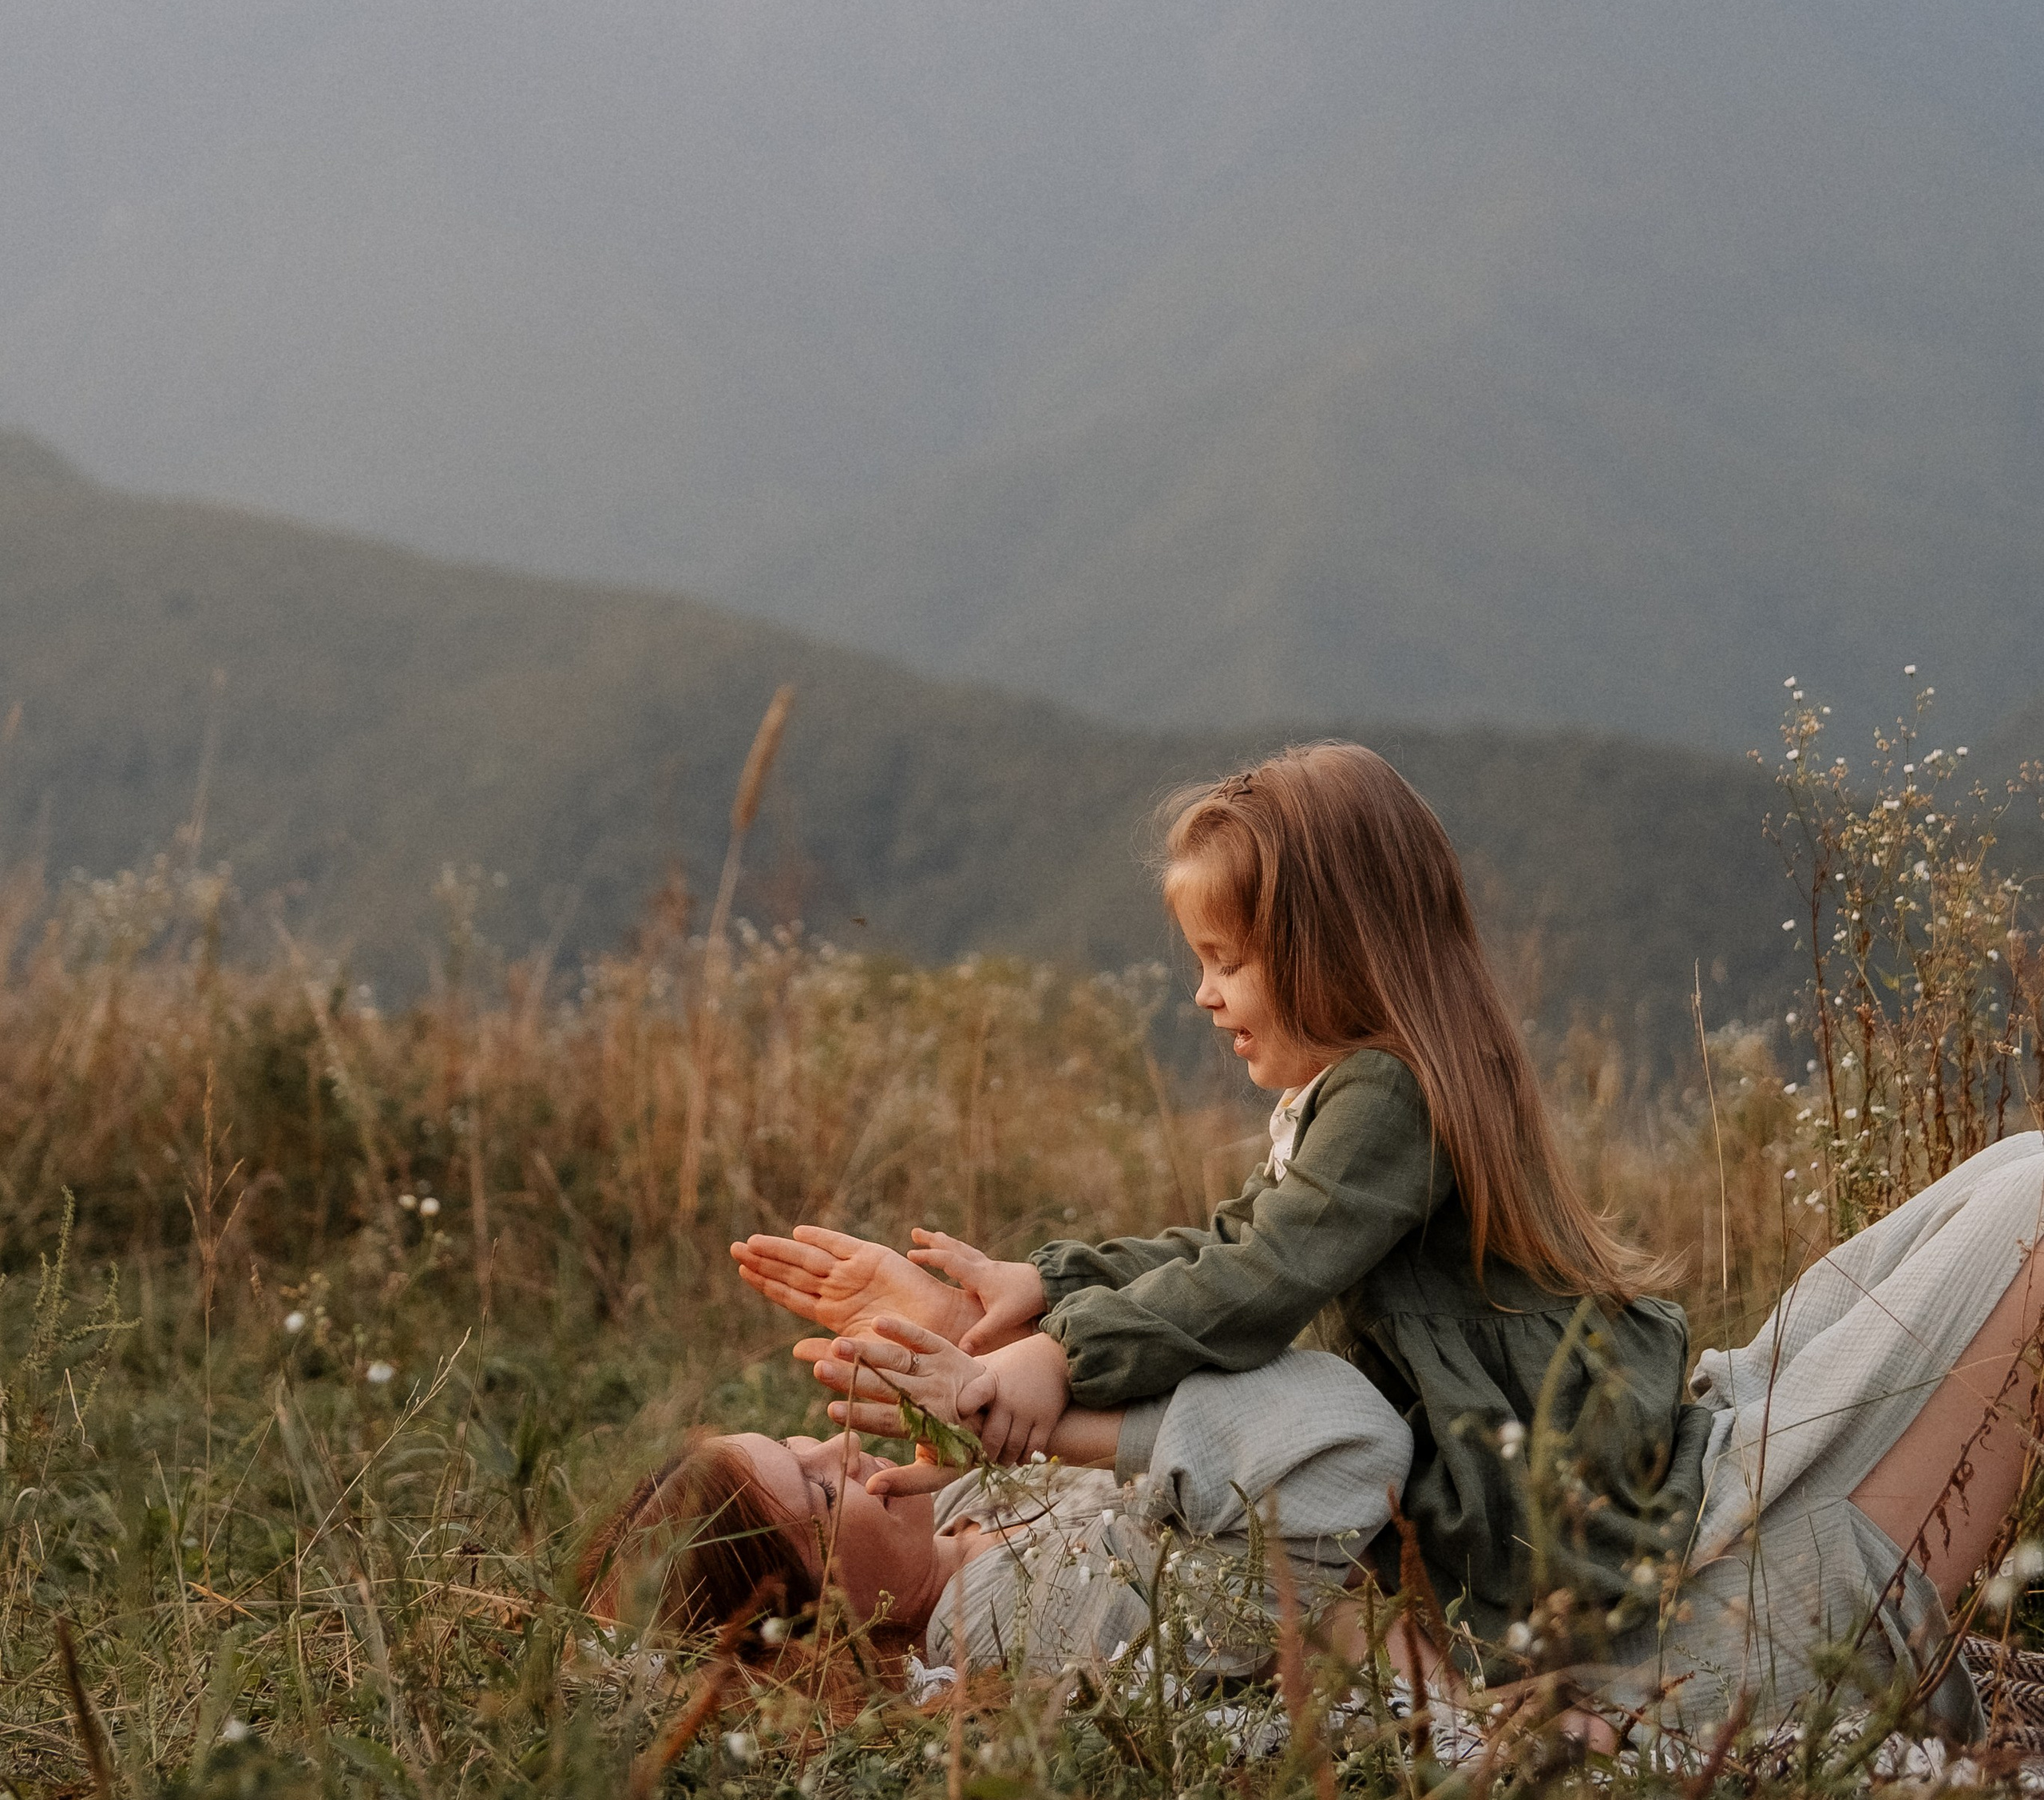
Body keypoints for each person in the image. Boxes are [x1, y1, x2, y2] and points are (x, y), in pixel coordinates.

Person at [735, 743, 2044, 1740]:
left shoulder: (1382, 1099)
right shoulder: (1366, 1095)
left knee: (2005, 1186)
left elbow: (1248, 1271)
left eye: (1227, 962)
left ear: (1330, 956)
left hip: (1595, 1473)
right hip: (1565, 1530)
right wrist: (1041, 1319)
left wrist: (1032, 1341)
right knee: (2029, 1198)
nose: (1203, 993)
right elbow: (1248, 1274)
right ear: (811, 1608)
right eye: (817, 1482)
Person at [580, 1334, 1414, 1686]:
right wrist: (1081, 1426)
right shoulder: (1024, 1622)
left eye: (796, 1443)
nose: (836, 1448)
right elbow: (1344, 1438)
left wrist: (1001, 1362)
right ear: (824, 1612)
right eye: (821, 1492)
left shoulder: (965, 1504)